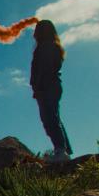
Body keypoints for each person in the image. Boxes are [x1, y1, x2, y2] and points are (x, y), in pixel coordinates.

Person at [30, 19, 72, 162]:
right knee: (53, 118)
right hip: (51, 85)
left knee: (49, 119)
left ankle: (61, 151)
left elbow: (44, 69)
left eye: (37, 30)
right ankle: (64, 150)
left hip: (48, 86)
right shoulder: (50, 46)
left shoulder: (45, 47)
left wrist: (39, 87)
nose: (34, 33)